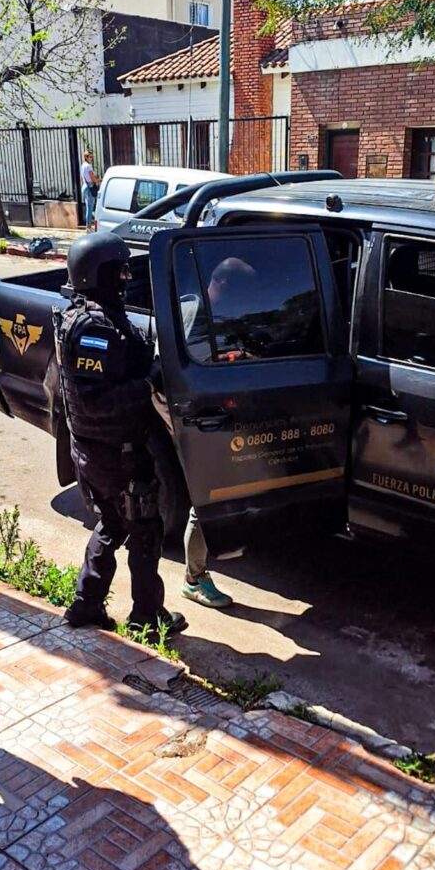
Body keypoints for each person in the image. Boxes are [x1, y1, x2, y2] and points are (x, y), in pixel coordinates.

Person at [54, 231, 186, 636]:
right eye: (119, 270)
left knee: (111, 524)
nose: (126, 277)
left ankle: (85, 604)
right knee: (144, 531)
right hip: (116, 453)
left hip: (97, 452)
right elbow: (97, 401)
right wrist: (147, 383)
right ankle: (147, 618)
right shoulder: (94, 329)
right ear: (97, 276)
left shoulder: (91, 317)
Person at [178, 257, 259, 608]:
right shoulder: (192, 312)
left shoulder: (219, 314)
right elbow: (180, 364)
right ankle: (194, 579)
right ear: (222, 285)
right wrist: (225, 361)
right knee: (206, 499)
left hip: (212, 413)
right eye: (240, 293)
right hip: (196, 414)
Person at [80, 151, 100, 231]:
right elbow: (92, 177)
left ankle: (88, 225)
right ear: (86, 157)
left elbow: (81, 177)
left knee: (89, 206)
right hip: (90, 187)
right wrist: (97, 181)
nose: (91, 158)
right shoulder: (88, 166)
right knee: (90, 207)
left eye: (92, 157)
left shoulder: (83, 166)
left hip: (85, 187)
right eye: (90, 157)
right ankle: (88, 226)